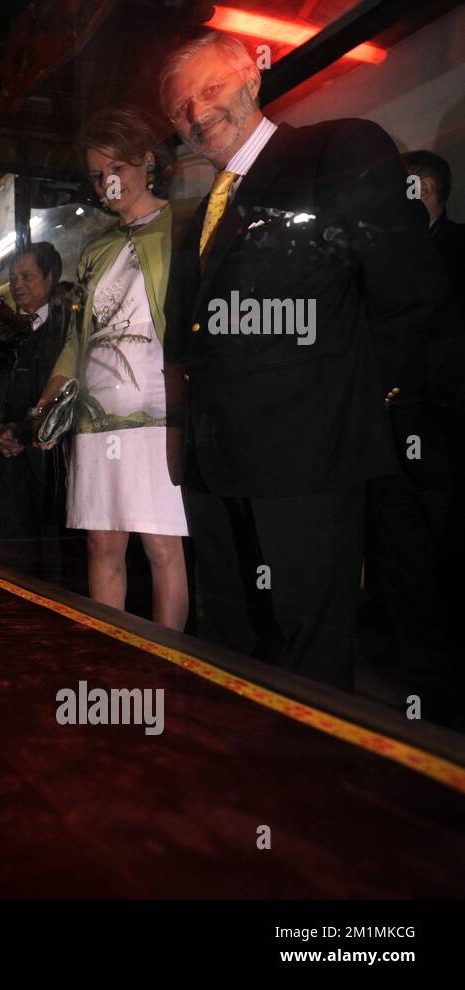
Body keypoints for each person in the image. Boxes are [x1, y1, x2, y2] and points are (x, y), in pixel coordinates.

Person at [159, 30, 445, 690]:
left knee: (309, 655)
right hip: (218, 467)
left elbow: (408, 291)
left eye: (211, 90)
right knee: (233, 638)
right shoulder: (202, 210)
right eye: (181, 108)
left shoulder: (337, 149)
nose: (198, 114)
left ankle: (313, 786)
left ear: (253, 80)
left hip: (309, 454)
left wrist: (351, 403)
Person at [33, 106, 189, 630]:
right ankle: (110, 657)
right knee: (102, 542)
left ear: (148, 160)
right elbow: (78, 340)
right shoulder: (93, 250)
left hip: (156, 410)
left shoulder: (179, 226)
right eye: (98, 175)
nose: (107, 184)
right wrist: (50, 399)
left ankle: (168, 664)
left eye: (116, 169)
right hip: (96, 415)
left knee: (162, 546)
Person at [362, 151, 465, 725]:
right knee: (401, 558)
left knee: (446, 550)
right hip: (389, 427)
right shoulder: (378, 260)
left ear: (430, 190)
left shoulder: (459, 249)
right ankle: (421, 687)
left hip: (444, 430)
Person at [0, 243, 73, 582]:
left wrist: (32, 428)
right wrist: (1, 427)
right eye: (13, 277)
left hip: (53, 459)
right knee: (13, 560)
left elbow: (72, 387)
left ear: (51, 276)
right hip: (9, 458)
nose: (18, 284)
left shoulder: (67, 328)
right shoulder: (4, 332)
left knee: (55, 556)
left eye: (27, 276)